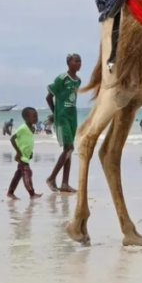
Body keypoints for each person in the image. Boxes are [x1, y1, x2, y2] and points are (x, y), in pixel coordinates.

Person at [45, 53, 81, 193]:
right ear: (68, 63)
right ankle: (51, 178)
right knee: (69, 148)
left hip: (73, 117)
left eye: (80, 61)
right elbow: (49, 97)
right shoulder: (62, 78)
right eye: (76, 61)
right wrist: (55, 113)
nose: (79, 63)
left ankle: (65, 183)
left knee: (68, 150)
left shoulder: (78, 81)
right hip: (62, 117)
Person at [8, 107, 42, 199]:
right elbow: (12, 139)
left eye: (36, 116)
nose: (36, 118)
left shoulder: (33, 128)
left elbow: (28, 141)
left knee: (18, 175)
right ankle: (32, 194)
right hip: (22, 156)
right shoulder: (22, 128)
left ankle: (10, 192)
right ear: (26, 118)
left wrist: (30, 152)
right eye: (33, 116)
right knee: (27, 173)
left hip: (26, 156)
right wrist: (18, 152)